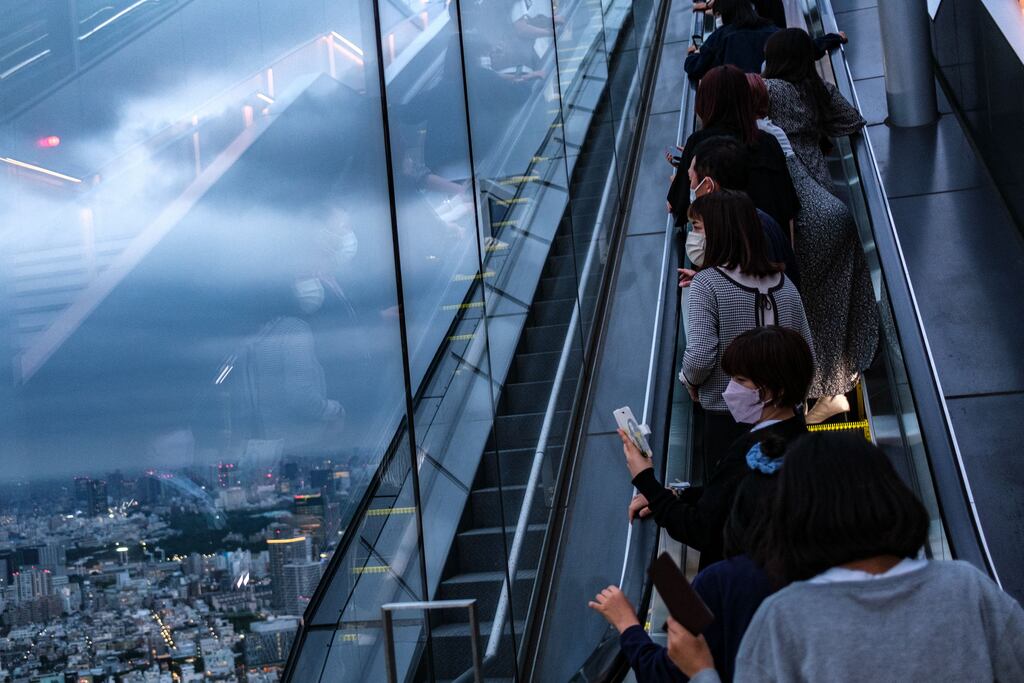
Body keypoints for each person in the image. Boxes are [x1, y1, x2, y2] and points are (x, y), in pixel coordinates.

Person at [666, 432, 1024, 682]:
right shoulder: (965, 587)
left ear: (795, 511)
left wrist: (701, 672)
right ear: (890, 492)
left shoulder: (785, 618)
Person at [623, 324, 814, 572]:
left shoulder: (755, 450)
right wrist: (680, 495)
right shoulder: (801, 438)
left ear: (774, 392)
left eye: (740, 380)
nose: (730, 388)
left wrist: (645, 479)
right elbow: (734, 496)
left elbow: (702, 530)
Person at [762, 28, 878, 422]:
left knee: (808, 310)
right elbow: (853, 121)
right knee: (836, 303)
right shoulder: (817, 89)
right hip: (830, 199)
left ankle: (827, 394)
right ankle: (841, 383)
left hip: (801, 210)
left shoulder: (769, 90)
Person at [667, 65, 798, 229]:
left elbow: (678, 207)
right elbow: (788, 209)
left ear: (704, 101)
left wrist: (676, 180)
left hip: (725, 245)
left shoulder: (699, 144)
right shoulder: (769, 142)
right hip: (770, 242)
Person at [682, 136, 799, 287]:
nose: (690, 186)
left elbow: (751, 296)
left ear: (708, 186)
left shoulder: (745, 233)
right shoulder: (755, 219)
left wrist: (708, 288)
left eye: (691, 178)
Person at [684, 0, 777, 81]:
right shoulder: (774, 31)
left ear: (725, 12)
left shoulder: (723, 34)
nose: (717, 19)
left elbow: (695, 67)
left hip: (737, 95)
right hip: (770, 94)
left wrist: (695, 54)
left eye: (717, 15)